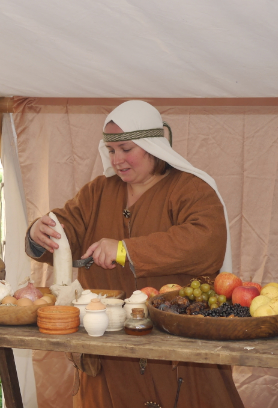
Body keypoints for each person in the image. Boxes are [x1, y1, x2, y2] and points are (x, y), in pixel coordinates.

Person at [26, 100, 243, 408]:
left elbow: (205, 241)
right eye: (111, 150)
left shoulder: (191, 189)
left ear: (152, 146)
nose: (117, 160)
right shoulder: (98, 191)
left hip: (175, 345)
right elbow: (66, 228)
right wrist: (40, 231)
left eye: (127, 149)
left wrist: (124, 250)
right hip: (108, 343)